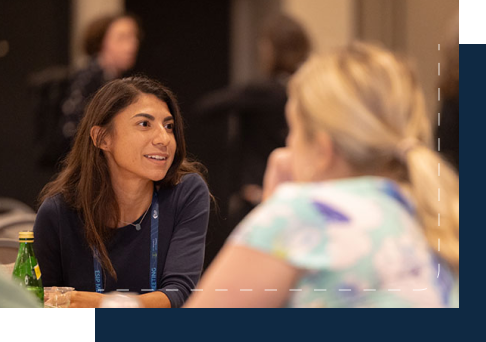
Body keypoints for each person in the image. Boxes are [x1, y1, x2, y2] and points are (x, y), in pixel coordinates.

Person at [184, 43, 459, 308]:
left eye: (292, 131)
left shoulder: (304, 215)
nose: (287, 145)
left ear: (323, 151)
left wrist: (272, 212)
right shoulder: (435, 215)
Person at [33, 76, 210, 308]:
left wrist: (98, 303)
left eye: (169, 126)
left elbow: (180, 294)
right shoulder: (58, 212)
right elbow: (38, 300)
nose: (164, 139)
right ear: (102, 138)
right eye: (145, 124)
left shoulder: (186, 192)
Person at [193, 13, 311, 230]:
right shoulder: (308, 91)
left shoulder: (261, 92)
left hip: (258, 191)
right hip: (296, 191)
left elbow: (207, 107)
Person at [59, 13, 142, 159]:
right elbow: (72, 129)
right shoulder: (88, 78)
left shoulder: (113, 79)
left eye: (133, 37)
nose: (132, 44)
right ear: (101, 42)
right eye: (122, 37)